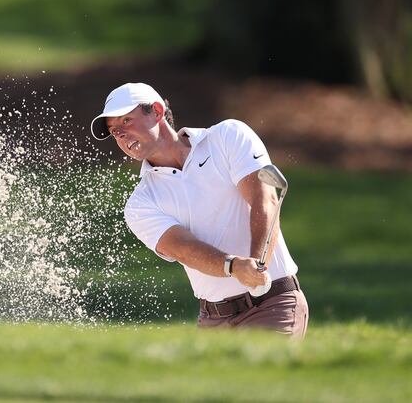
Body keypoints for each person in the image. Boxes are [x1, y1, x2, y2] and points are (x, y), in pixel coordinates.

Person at [91, 82, 308, 337]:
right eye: (115, 131)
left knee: (262, 376)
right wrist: (235, 266)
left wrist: (258, 264)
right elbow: (183, 248)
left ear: (158, 112)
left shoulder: (228, 136)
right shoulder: (141, 203)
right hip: (212, 321)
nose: (121, 135)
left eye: (127, 121)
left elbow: (264, 198)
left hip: (272, 305)